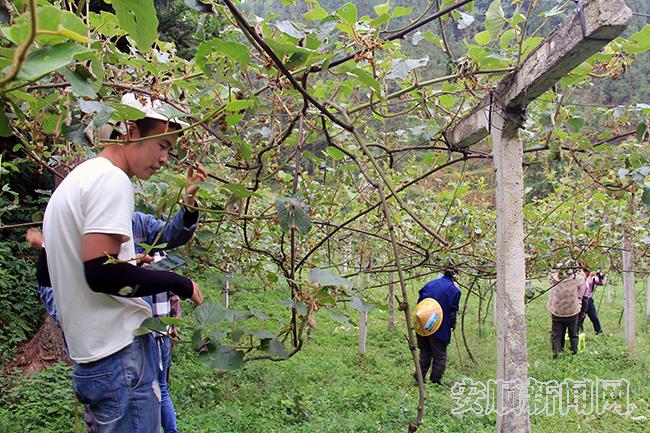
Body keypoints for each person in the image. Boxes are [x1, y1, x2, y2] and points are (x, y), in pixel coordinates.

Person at [43, 92, 204, 433]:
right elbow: (102, 275)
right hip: (120, 358)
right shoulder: (111, 180)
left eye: (170, 150)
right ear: (132, 131)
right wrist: (180, 284)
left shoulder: (79, 181)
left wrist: (127, 263)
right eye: (162, 145)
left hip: (94, 358)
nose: (164, 159)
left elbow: (53, 269)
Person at [414, 268, 461, 384]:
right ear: (455, 276)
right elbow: (452, 312)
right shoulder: (454, 290)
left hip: (422, 322)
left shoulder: (430, 284)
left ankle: (419, 377)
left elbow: (420, 302)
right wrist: (452, 324)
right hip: (440, 326)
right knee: (439, 355)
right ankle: (435, 381)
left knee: (425, 352)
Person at [546, 273, 582, 357]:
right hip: (572, 311)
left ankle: (556, 352)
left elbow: (550, 276)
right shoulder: (575, 279)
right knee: (573, 333)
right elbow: (582, 279)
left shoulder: (555, 280)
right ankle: (574, 351)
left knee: (556, 333)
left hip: (557, 311)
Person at [577, 268, 605, 334]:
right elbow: (585, 286)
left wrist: (600, 277)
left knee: (594, 317)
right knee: (580, 318)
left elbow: (600, 283)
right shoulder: (580, 277)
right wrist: (589, 277)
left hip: (589, 300)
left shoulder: (592, 278)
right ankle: (579, 331)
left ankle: (599, 332)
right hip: (581, 299)